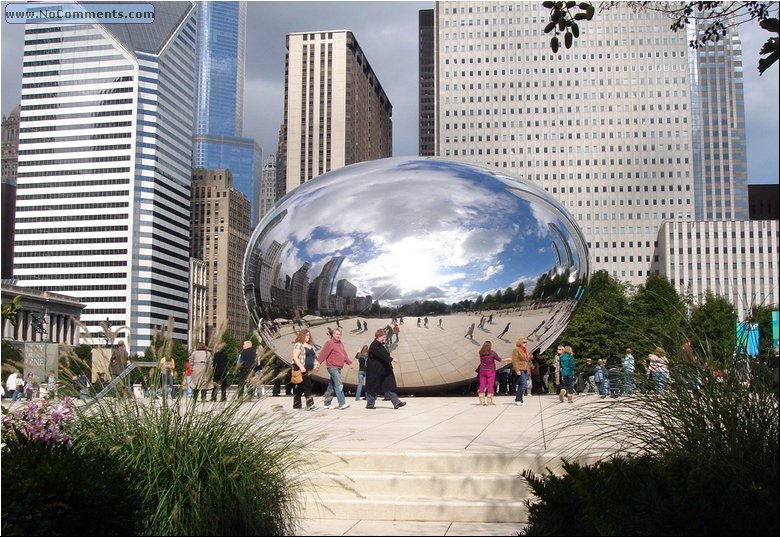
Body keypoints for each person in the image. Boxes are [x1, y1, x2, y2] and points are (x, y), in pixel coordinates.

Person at [365, 329, 406, 410]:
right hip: (375, 371)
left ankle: (396, 403)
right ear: (378, 336)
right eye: (383, 337)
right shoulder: (374, 345)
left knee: (388, 386)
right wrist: (391, 359)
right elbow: (382, 355)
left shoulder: (381, 345)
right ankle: (370, 404)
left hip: (383, 370)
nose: (384, 339)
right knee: (372, 388)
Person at [318, 328, 353, 410]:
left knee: (332, 386)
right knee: (339, 384)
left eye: (340, 334)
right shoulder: (329, 343)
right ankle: (341, 403)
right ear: (333, 335)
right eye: (337, 334)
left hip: (338, 367)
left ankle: (327, 403)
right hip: (332, 366)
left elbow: (344, 354)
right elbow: (323, 353)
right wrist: (317, 363)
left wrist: (349, 362)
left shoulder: (340, 344)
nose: (338, 336)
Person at [291, 328, 319, 410]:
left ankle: (296, 405)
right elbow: (295, 357)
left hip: (309, 369)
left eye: (309, 335)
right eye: (306, 335)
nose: (308, 337)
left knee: (300, 387)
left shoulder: (310, 346)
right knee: (308, 386)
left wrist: (316, 365)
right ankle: (310, 404)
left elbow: (314, 357)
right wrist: (301, 366)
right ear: (302, 335)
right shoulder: (299, 345)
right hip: (302, 368)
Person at [476, 341, 509, 406]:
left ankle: (482, 402)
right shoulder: (492, 353)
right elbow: (500, 360)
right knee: (490, 385)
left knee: (482, 385)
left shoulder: (481, 353)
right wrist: (508, 359)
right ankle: (489, 401)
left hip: (482, 371)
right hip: (491, 371)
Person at [511, 338, 532, 406]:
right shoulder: (516, 350)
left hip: (525, 368)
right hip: (520, 368)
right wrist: (517, 370)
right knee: (523, 383)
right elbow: (514, 360)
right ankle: (518, 399)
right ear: (520, 342)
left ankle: (520, 399)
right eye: (523, 342)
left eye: (526, 342)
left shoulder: (525, 350)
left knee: (522, 384)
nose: (525, 343)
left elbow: (527, 360)